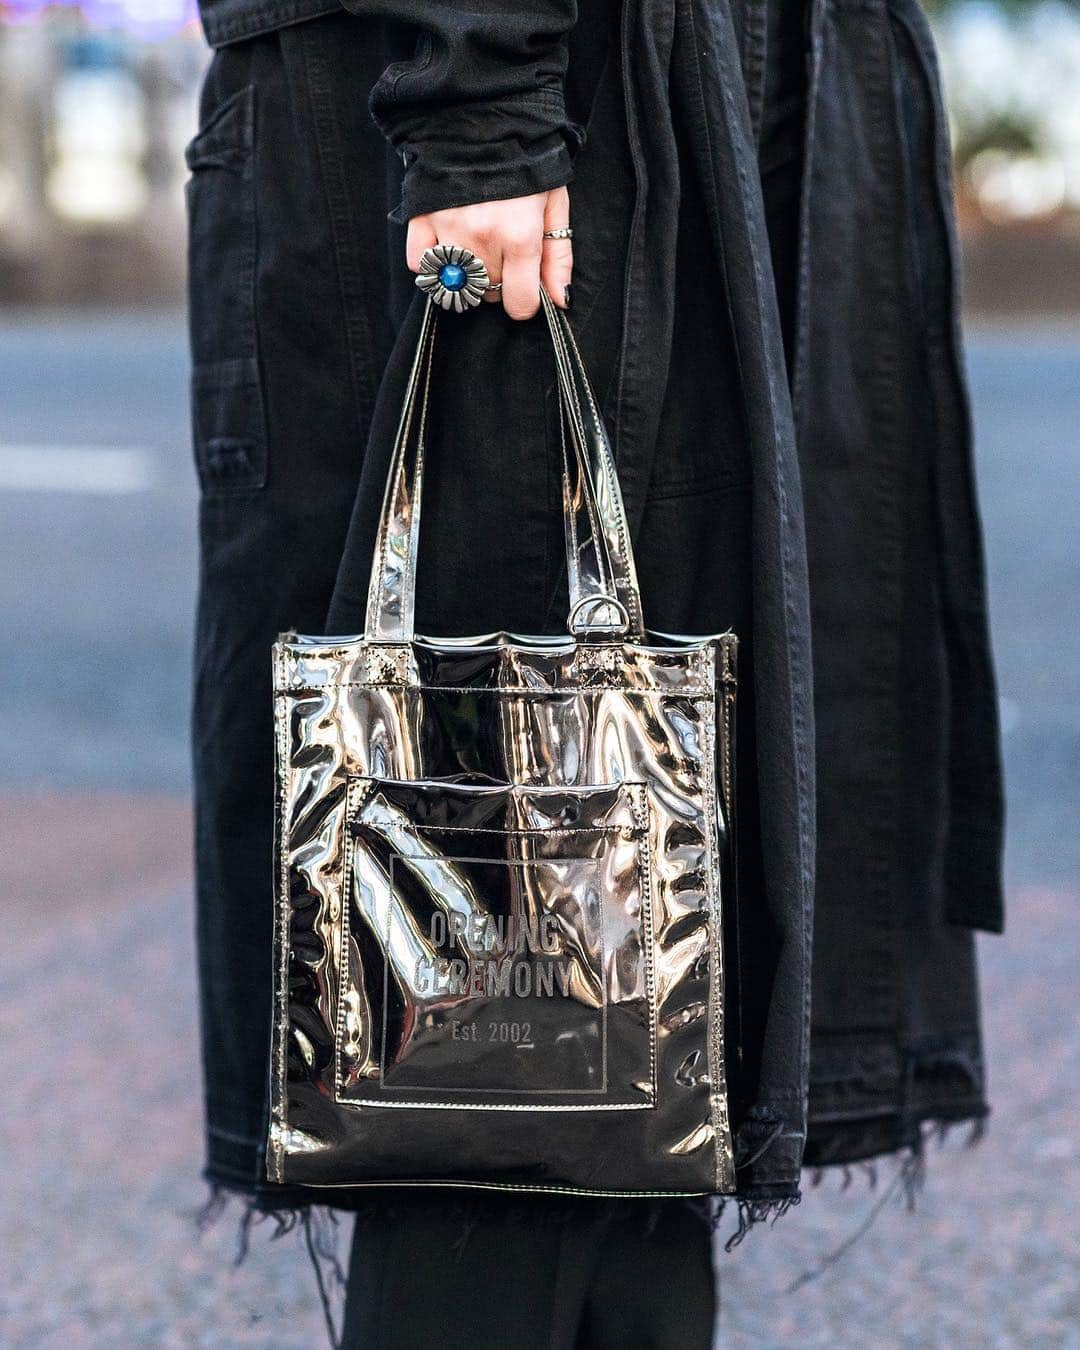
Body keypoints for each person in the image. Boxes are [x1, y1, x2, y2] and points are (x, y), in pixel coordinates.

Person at [186, 0, 1005, 1344]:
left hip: (649, 110)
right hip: (545, 119)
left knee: (642, 1016)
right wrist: (479, 106)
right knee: (504, 1018)